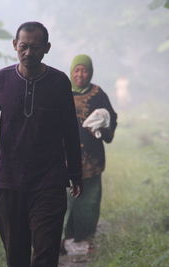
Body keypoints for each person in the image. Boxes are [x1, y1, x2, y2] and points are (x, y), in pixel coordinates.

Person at [0, 22, 83, 267]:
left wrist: (75, 172)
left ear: (46, 48)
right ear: (15, 45)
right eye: (23, 47)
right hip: (9, 181)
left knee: (46, 253)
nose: (28, 53)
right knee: (16, 255)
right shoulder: (0, 80)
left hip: (50, 181)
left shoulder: (58, 82)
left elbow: (69, 130)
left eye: (35, 48)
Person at [62, 54, 117, 255]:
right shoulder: (62, 92)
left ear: (91, 72)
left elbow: (112, 118)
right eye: (77, 69)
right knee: (64, 199)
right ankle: (62, 239)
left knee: (89, 200)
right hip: (64, 157)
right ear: (71, 71)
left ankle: (84, 237)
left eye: (84, 70)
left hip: (91, 159)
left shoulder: (98, 94)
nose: (80, 74)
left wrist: (104, 124)